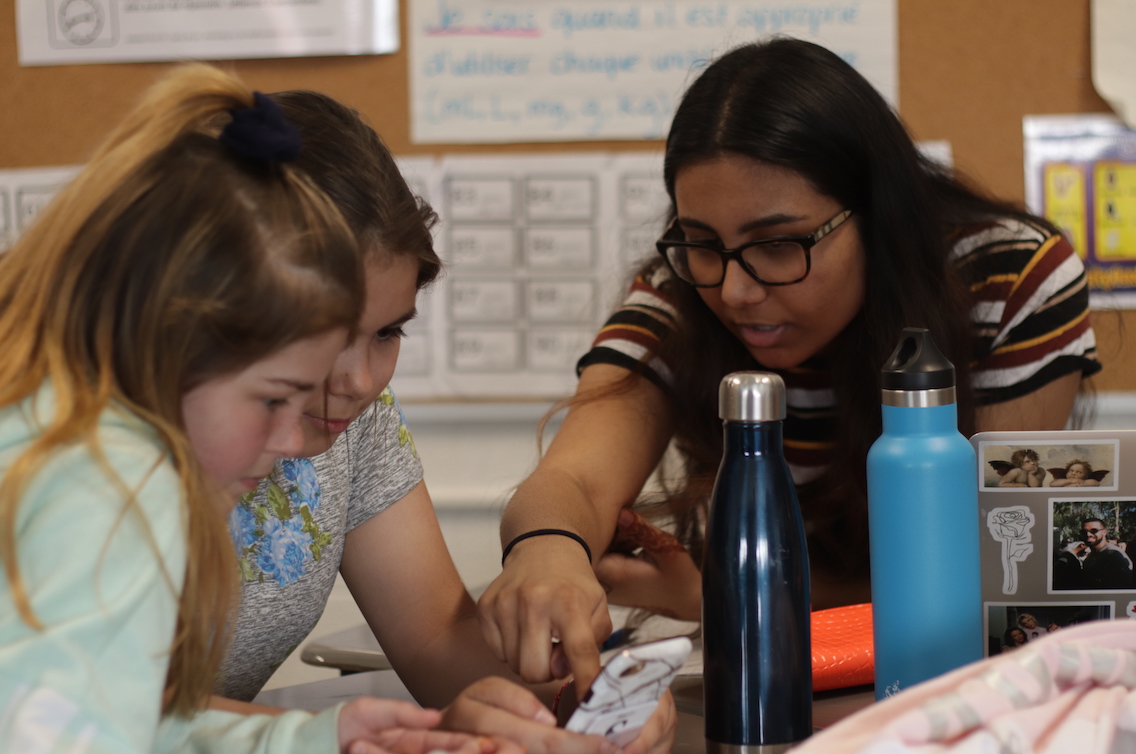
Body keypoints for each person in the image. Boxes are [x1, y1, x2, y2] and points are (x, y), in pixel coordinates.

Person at [477, 37, 1102, 691]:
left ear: (875, 214)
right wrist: (546, 550)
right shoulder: (680, 291)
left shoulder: (1009, 279)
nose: (736, 291)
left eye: (777, 245)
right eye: (703, 243)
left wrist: (730, 597)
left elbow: (991, 577)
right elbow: (572, 479)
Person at [0, 63, 513, 754]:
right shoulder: (111, 476)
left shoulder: (115, 441)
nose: (355, 384)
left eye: (388, 333)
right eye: (278, 395)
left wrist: (319, 738)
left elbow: (112, 715)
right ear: (173, 335)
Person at [210, 90, 671, 754]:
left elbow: (436, 638)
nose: (359, 382)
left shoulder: (356, 418)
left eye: (387, 333)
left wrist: (580, 709)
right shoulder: (101, 440)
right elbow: (84, 702)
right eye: (326, 334)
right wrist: (341, 736)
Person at [1053, 518, 1133, 590]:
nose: (1088, 534)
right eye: (1084, 532)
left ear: (1104, 532)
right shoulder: (1093, 554)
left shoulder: (1113, 555)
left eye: (1094, 530)